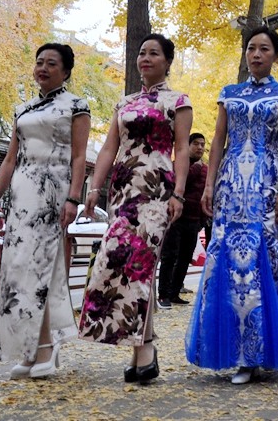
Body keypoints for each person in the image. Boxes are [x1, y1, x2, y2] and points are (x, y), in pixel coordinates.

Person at [186, 26, 278, 385]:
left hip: (265, 183)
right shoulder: (229, 93)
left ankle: (255, 353)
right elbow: (218, 139)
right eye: (251, 48)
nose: (256, 54)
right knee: (225, 258)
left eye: (264, 49)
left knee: (261, 258)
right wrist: (209, 185)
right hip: (230, 184)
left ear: (275, 55)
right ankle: (231, 351)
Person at [78, 34, 193, 384]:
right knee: (114, 260)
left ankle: (143, 351)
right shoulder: (124, 103)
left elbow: (182, 149)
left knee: (140, 265)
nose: (145, 58)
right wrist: (94, 188)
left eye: (154, 53)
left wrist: (179, 194)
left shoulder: (179, 101)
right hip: (123, 191)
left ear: (167, 61)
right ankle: (145, 348)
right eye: (142, 53)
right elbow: (108, 149)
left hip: (157, 191)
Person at [0, 43, 91, 379]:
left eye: (52, 63)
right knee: (18, 269)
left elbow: (79, 157)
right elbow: (9, 159)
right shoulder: (23, 108)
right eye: (39, 62)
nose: (43, 67)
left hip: (53, 191)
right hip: (21, 193)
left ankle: (43, 346)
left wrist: (74, 199)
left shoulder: (76, 105)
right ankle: (32, 348)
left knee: (39, 267)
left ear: (66, 71)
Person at [157, 132, 208, 309]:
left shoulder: (205, 169)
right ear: (187, 145)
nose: (200, 147)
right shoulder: (177, 165)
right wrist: (196, 168)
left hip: (194, 221)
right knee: (169, 256)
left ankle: (174, 292)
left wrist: (202, 220)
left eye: (202, 144)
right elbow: (179, 183)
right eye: (196, 144)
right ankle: (163, 295)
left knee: (185, 258)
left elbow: (204, 195)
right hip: (176, 218)